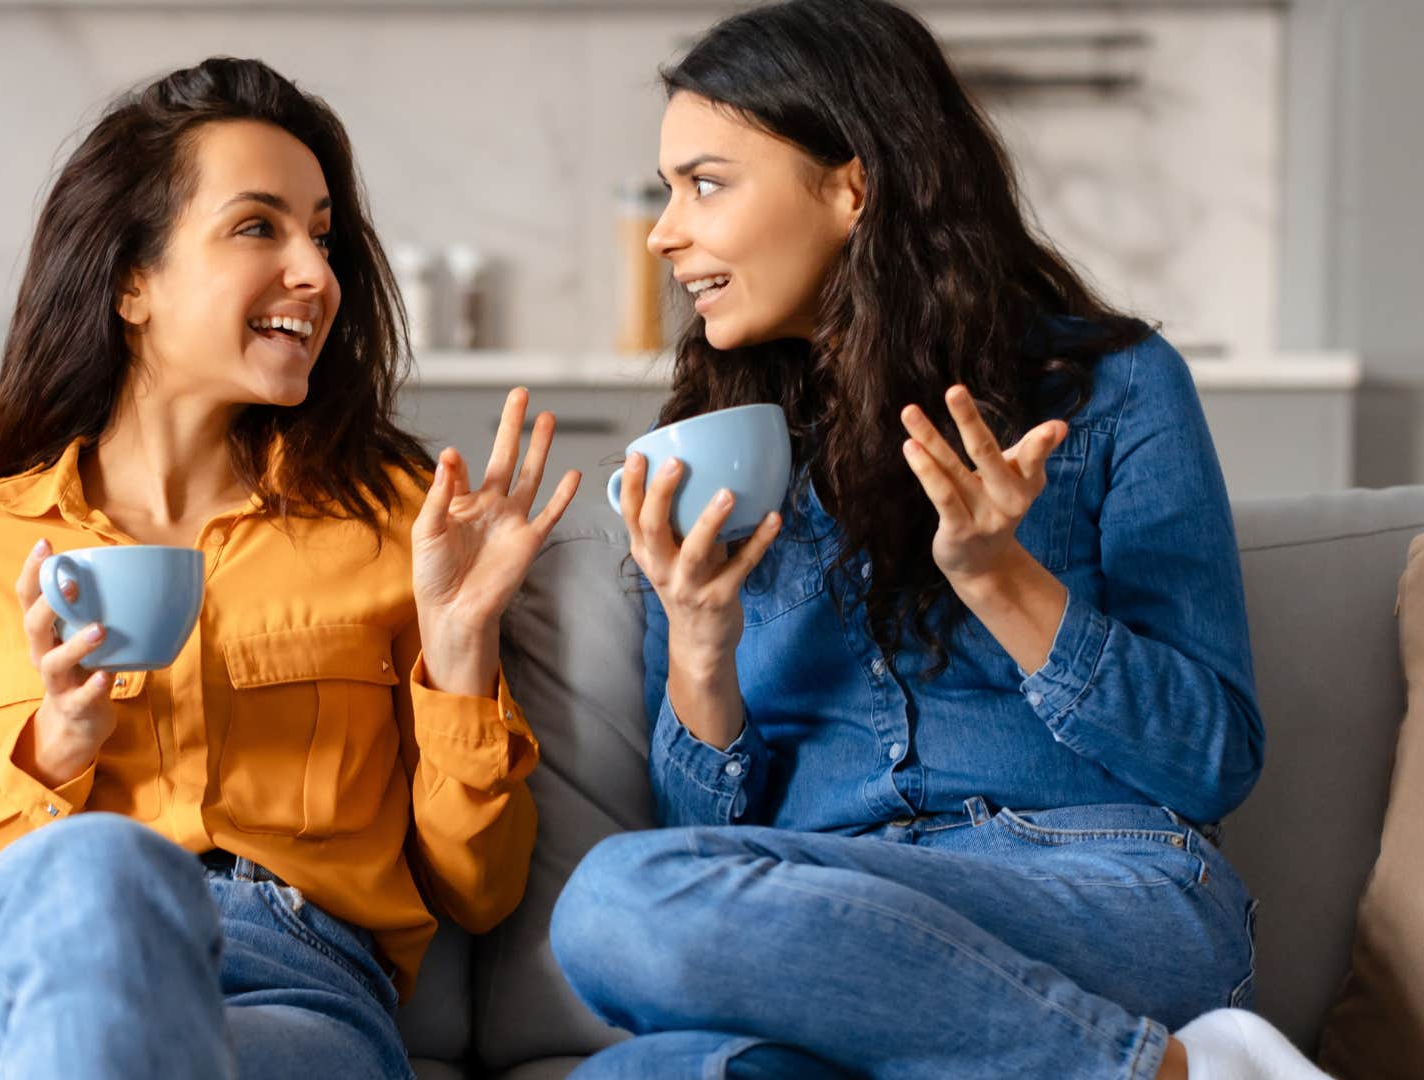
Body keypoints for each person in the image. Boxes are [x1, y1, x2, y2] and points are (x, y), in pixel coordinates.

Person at [549, 3, 1328, 1078]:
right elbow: (701, 828)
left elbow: (1209, 762)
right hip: (833, 927)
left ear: (850, 185)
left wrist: (999, 577)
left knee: (615, 902)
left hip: (1102, 893)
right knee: (637, 1058)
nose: (664, 231)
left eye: (707, 183)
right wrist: (697, 638)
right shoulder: (712, 449)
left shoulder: (1113, 387)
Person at [0, 56, 580, 1079]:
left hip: (285, 990)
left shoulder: (396, 525)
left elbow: (479, 888)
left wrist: (458, 653)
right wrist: (51, 755)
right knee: (100, 872)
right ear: (129, 281)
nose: (318, 274)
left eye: (322, 236)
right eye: (258, 227)